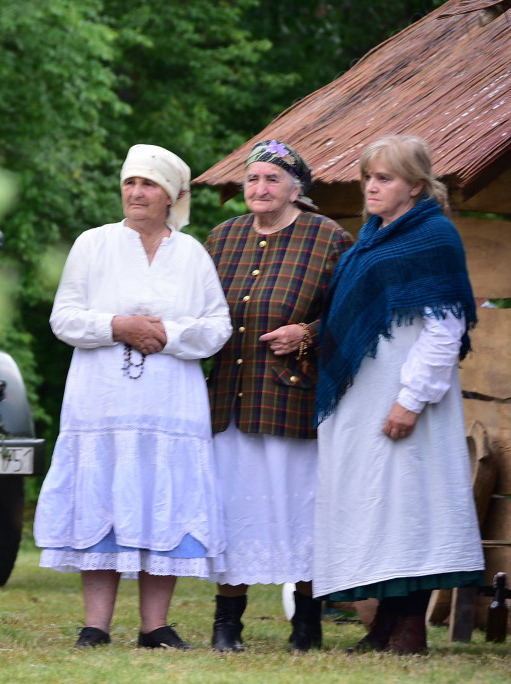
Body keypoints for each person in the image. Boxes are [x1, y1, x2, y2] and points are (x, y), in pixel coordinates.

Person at [34, 144, 232, 650]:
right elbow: (64, 318)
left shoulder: (191, 254)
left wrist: (166, 334)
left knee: (158, 504)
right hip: (102, 405)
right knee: (104, 498)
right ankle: (95, 626)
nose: (137, 192)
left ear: (172, 196)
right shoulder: (93, 244)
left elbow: (217, 328)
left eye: (149, 184)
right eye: (130, 182)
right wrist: (117, 326)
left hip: (170, 407)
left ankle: (154, 626)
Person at [314, 135, 485, 655]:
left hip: (405, 402)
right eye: (368, 176)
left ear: (415, 185)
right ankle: (384, 627)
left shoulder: (433, 236)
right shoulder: (372, 238)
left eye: (384, 177)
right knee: (380, 509)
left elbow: (444, 328)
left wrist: (410, 400)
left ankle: (409, 629)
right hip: (365, 401)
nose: (371, 186)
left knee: (411, 505)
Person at [203, 140, 353, 652]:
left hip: (292, 400)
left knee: (300, 511)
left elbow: (354, 314)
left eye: (272, 179)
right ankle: (228, 626)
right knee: (231, 511)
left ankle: (306, 626)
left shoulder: (327, 237)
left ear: (296, 189)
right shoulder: (221, 238)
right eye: (252, 179)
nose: (260, 188)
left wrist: (307, 333)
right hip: (228, 400)